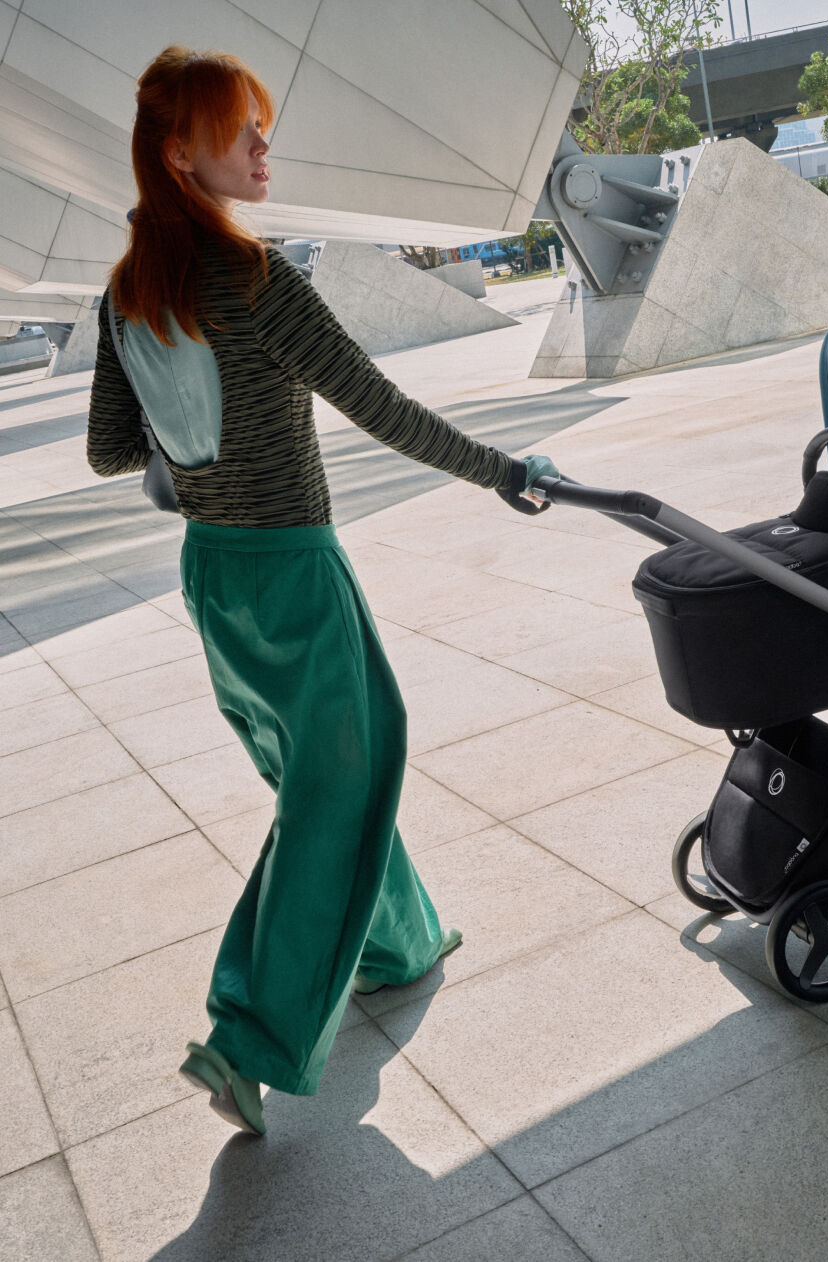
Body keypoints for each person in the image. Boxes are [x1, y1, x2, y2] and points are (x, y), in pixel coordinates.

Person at [86, 46, 556, 1137]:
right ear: (179, 153)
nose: (263, 146)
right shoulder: (254, 280)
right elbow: (379, 408)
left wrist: (187, 431)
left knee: (323, 770)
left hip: (213, 573)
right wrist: (506, 471)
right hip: (292, 566)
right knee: (341, 777)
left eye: (261, 124)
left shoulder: (128, 291)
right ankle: (245, 1034)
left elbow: (116, 451)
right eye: (241, 129)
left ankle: (395, 941)